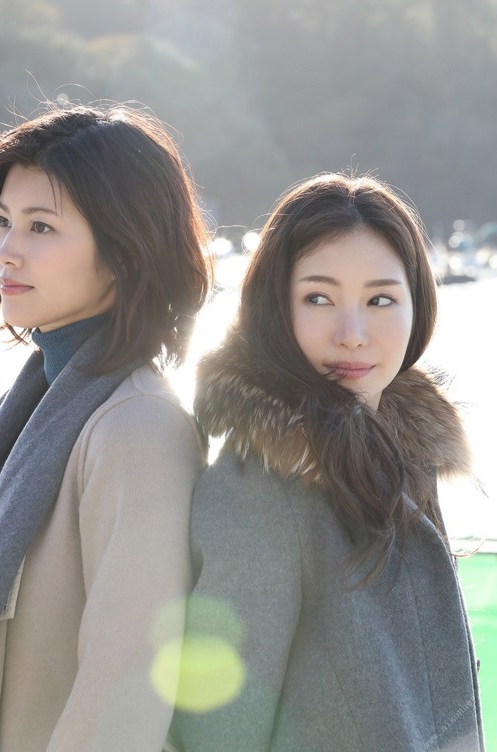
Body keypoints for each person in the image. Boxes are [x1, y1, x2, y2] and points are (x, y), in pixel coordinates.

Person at [0, 103, 212, 752]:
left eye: (41, 226)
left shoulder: (139, 429)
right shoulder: (20, 410)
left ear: (126, 251)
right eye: (2, 221)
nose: (5, 251)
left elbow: (127, 694)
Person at [171, 173, 484, 752]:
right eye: (318, 298)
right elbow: (218, 733)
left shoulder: (404, 455)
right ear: (275, 309)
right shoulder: (260, 490)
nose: (352, 335)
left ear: (417, 307)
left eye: (380, 299)